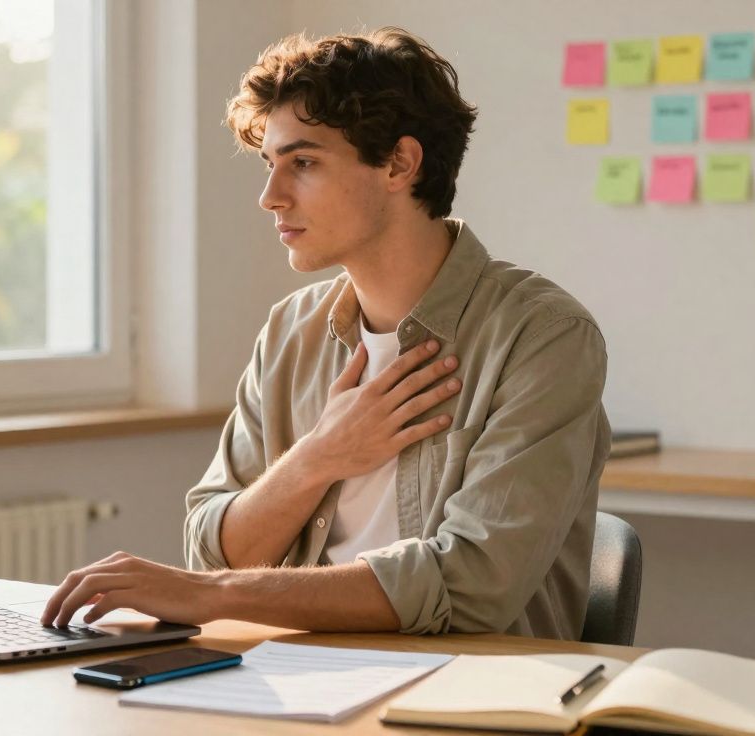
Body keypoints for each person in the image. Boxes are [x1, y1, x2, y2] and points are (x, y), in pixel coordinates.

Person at [42, 27, 610, 639]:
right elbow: (212, 549)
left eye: (303, 163)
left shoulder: (545, 336)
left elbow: (469, 588)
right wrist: (318, 456)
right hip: (301, 680)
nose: (269, 196)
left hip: (467, 698)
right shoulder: (292, 330)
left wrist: (216, 593)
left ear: (399, 163)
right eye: (270, 165)